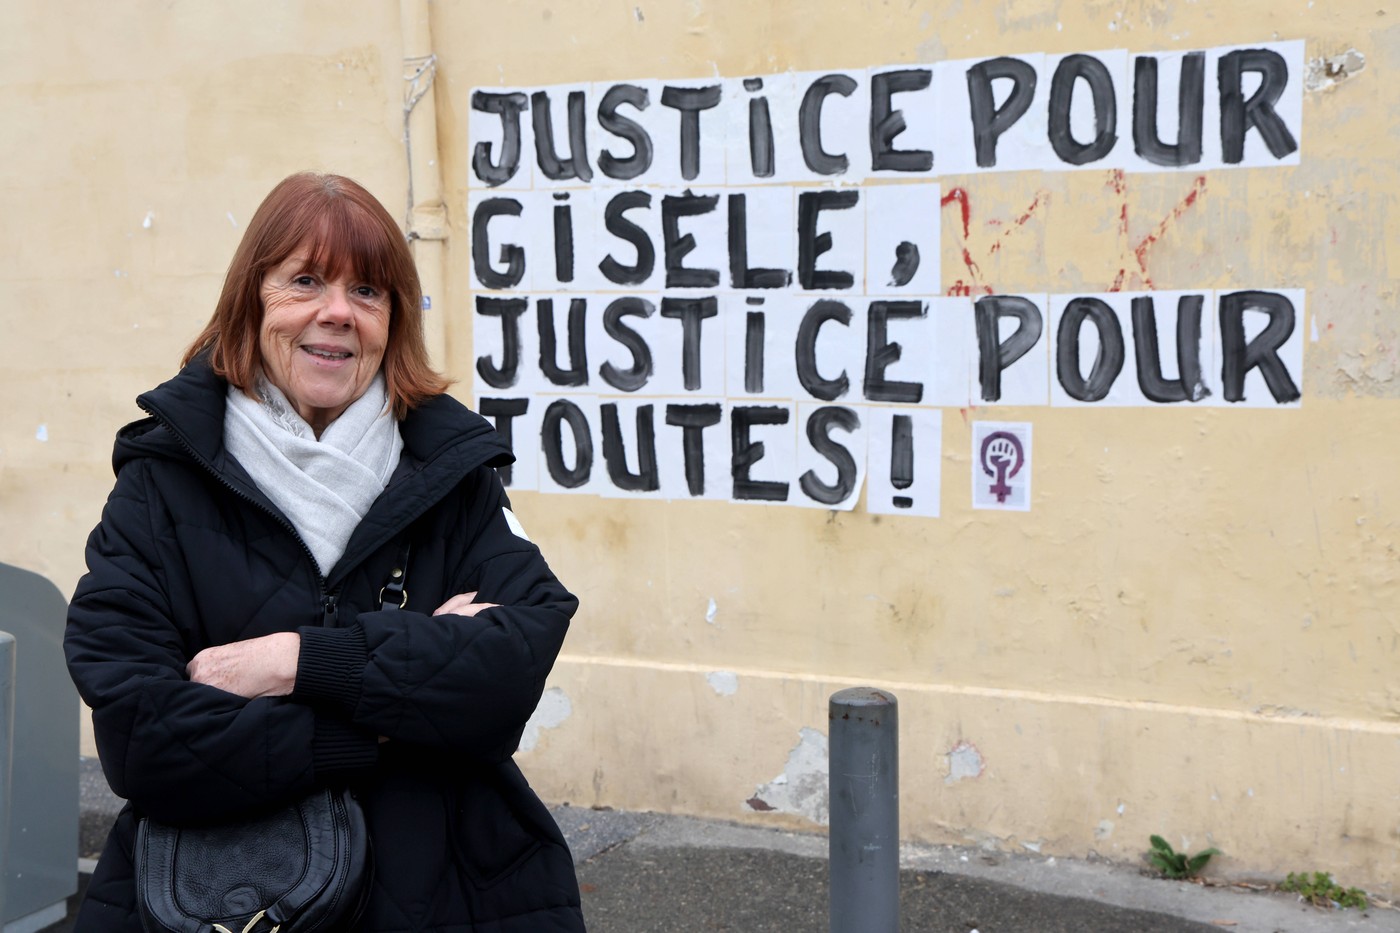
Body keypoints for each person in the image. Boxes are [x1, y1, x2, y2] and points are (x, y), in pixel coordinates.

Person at [64, 172, 585, 931]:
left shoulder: (453, 469)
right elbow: (145, 739)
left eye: (368, 291)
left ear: (392, 319)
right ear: (254, 299)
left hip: (456, 894)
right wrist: (384, 719)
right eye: (305, 280)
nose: (337, 312)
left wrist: (295, 661)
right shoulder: (159, 485)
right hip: (222, 896)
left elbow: (513, 665)